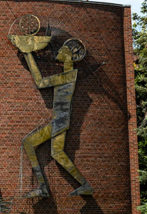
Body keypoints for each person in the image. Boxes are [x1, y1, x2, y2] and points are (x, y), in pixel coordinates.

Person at [10, 31, 93, 199]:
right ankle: (85, 185)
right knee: (57, 153)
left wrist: (28, 55)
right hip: (62, 120)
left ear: (69, 56)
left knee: (28, 143)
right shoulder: (68, 75)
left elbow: (40, 82)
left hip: (60, 121)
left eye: (62, 51)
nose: (58, 53)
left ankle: (42, 187)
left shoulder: (68, 76)